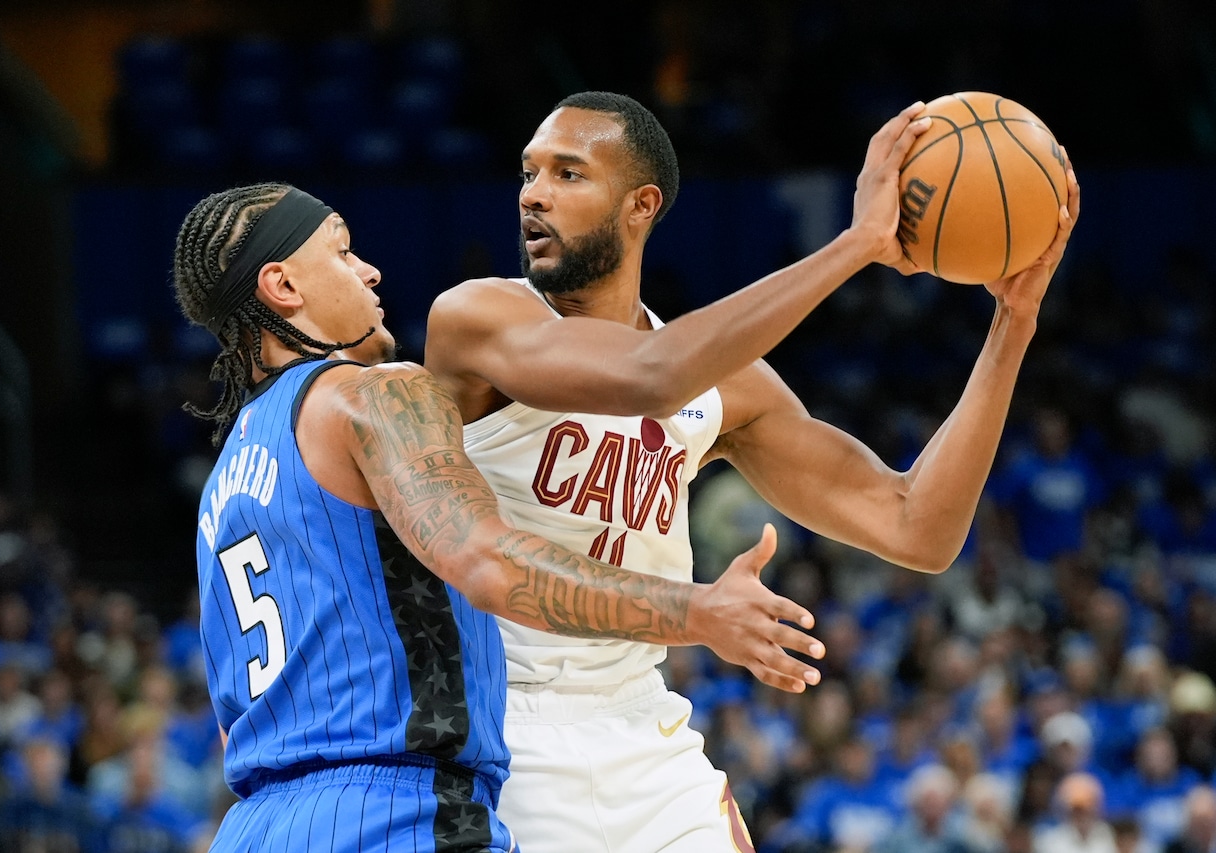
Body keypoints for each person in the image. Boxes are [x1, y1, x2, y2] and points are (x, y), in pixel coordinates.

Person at [423, 90, 1079, 852]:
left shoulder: (723, 385)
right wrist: (856, 245)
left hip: (642, 726)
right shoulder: (477, 318)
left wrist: (1013, 322)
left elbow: (916, 526)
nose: (533, 193)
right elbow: (648, 376)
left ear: (641, 204)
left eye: (568, 174)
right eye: (529, 173)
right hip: (502, 727)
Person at [170, 182, 825, 851]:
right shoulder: (378, 393)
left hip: (255, 826)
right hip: (394, 816)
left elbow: (234, 724)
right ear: (282, 285)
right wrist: (699, 610)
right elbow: (488, 561)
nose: (369, 270)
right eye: (342, 252)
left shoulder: (224, 485)